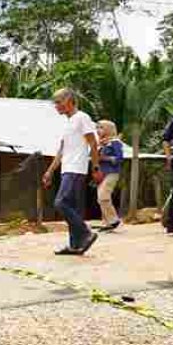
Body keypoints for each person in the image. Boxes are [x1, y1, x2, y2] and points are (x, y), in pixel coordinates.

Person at [41, 88, 101, 255]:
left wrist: (96, 167)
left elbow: (93, 143)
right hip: (67, 168)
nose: (56, 106)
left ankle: (86, 233)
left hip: (76, 168)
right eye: (55, 103)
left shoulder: (82, 117)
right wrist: (50, 171)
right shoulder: (68, 123)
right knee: (71, 207)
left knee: (60, 203)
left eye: (58, 102)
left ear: (69, 100)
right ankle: (75, 245)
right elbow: (61, 150)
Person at [95, 119, 123, 232]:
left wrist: (105, 158)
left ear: (109, 129)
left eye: (101, 128)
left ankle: (113, 220)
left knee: (103, 195)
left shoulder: (115, 142)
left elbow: (119, 158)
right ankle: (107, 222)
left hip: (112, 172)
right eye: (97, 128)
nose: (98, 130)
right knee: (100, 197)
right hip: (102, 173)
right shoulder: (101, 143)